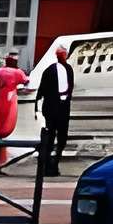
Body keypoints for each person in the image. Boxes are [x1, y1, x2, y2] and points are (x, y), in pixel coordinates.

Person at [37, 41, 75, 177]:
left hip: (58, 108)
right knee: (55, 138)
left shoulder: (54, 69)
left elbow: (42, 90)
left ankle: (52, 165)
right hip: (57, 109)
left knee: (57, 138)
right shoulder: (52, 70)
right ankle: (50, 166)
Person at [0, 52, 28, 170]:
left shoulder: (0, 72)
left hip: (0, 101)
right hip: (9, 102)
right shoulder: (17, 72)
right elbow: (26, 82)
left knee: (0, 131)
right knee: (4, 130)